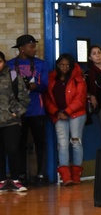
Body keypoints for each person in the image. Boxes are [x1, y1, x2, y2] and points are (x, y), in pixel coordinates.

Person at [8, 34, 50, 186]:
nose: (34, 49)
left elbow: (45, 85)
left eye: (35, 46)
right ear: (21, 49)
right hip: (18, 111)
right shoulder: (10, 65)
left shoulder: (41, 64)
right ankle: (20, 175)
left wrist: (35, 86)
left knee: (40, 143)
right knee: (19, 144)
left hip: (37, 109)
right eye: (31, 47)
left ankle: (41, 173)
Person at [44, 53, 88, 186]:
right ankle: (66, 176)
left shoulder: (78, 79)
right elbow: (47, 99)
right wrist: (56, 112)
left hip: (76, 114)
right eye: (62, 65)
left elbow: (80, 98)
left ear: (71, 66)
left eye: (67, 65)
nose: (64, 67)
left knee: (76, 142)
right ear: (58, 65)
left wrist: (67, 112)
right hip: (58, 115)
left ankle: (76, 175)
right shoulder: (51, 78)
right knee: (62, 144)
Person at [0, 51, 30, 192]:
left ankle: (16, 179)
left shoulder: (13, 76)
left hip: (11, 121)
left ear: (4, 62)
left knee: (12, 149)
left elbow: (24, 98)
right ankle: (1, 180)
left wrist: (16, 113)